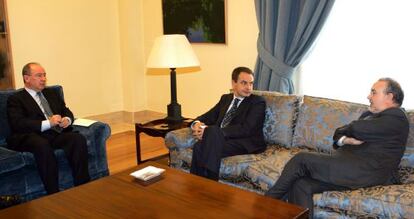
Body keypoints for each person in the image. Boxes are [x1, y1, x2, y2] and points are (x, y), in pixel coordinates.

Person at [265, 78, 409, 217]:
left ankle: (265, 203)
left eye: (373, 92)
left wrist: (351, 129)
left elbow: (358, 129)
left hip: (365, 172)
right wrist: (347, 140)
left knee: (301, 159)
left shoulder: (397, 117)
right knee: (301, 185)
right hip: (347, 171)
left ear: (389, 97)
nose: (368, 96)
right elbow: (338, 133)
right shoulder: (369, 115)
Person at [7, 62, 90, 194]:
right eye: (39, 76)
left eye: (44, 75)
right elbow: (19, 123)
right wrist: (48, 123)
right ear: (26, 78)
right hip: (30, 136)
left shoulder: (51, 93)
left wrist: (67, 120)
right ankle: (53, 193)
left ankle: (84, 186)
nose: (44, 79)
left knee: (77, 139)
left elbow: (66, 111)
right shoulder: (16, 99)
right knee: (42, 144)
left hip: (54, 134)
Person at [190, 66, 266, 180]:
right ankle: (198, 184)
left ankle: (208, 184)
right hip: (222, 139)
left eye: (251, 83)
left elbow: (247, 129)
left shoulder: (257, 102)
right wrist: (196, 123)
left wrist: (211, 132)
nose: (248, 87)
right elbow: (207, 116)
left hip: (245, 141)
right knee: (199, 146)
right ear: (234, 83)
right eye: (244, 83)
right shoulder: (225, 99)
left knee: (209, 136)